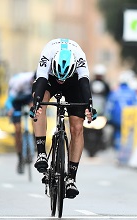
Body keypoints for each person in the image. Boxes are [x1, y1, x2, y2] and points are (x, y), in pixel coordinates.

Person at [30, 38, 94, 199]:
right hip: (49, 79)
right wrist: (37, 103)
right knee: (39, 103)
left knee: (77, 127)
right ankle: (41, 153)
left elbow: (85, 84)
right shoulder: (47, 55)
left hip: (74, 83)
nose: (61, 81)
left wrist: (89, 107)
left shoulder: (79, 58)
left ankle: (71, 178)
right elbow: (41, 80)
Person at [5, 71, 36, 174]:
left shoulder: (37, 82)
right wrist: (10, 110)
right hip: (16, 100)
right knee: (18, 129)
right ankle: (20, 157)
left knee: (35, 113)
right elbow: (9, 101)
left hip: (28, 98)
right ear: (31, 80)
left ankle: (35, 141)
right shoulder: (20, 83)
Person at [105, 70, 137, 151]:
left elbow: (109, 105)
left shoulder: (115, 92)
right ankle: (125, 151)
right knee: (127, 135)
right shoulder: (132, 92)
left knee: (117, 134)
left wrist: (107, 116)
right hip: (128, 118)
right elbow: (136, 105)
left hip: (116, 118)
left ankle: (118, 150)